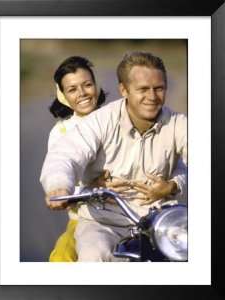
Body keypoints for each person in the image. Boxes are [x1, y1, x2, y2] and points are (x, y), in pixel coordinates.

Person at [40, 51, 187, 262]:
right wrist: (59, 185)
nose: (153, 97)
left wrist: (173, 185)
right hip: (102, 219)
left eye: (159, 88)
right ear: (124, 90)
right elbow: (64, 156)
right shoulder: (98, 121)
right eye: (143, 89)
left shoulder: (178, 123)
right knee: (90, 256)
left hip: (159, 220)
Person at [46, 56, 120, 262]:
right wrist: (93, 189)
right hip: (85, 219)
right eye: (72, 89)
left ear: (96, 85)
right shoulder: (61, 132)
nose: (82, 94)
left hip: (130, 213)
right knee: (61, 259)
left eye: (87, 85)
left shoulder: (117, 117)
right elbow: (60, 181)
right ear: (62, 95)